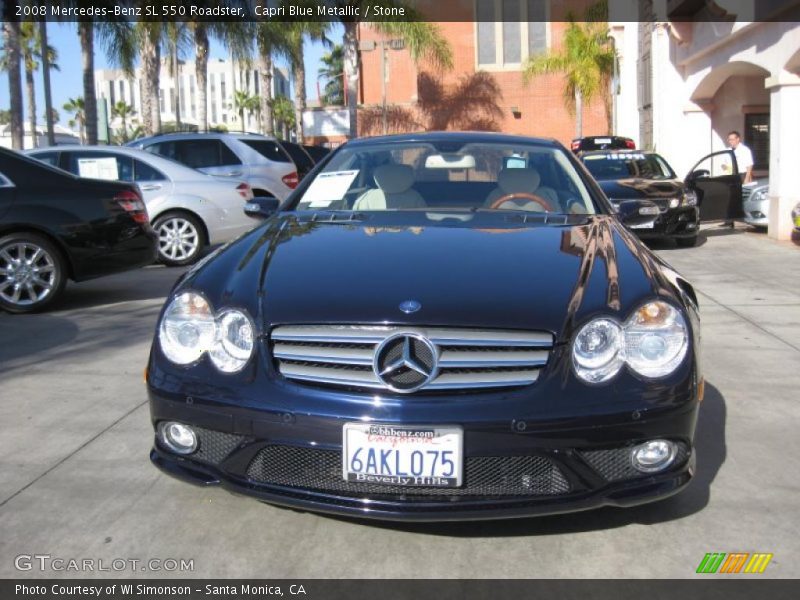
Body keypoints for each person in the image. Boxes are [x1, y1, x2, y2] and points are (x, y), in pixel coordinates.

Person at [722, 130, 754, 227]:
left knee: (742, 197)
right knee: (730, 198)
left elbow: (749, 165)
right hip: (731, 176)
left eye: (732, 139)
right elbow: (723, 164)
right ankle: (729, 221)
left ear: (738, 139)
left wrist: (747, 178)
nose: (730, 141)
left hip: (742, 175)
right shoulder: (728, 150)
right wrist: (725, 167)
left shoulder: (745, 150)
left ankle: (745, 219)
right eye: (729, 139)